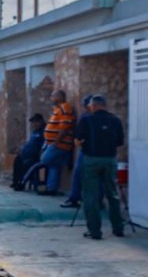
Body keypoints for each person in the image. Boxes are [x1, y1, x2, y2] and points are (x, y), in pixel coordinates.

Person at [75, 95, 124, 240]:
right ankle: (118, 228)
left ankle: (95, 231)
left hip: (91, 159)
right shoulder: (115, 121)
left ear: (94, 106)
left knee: (91, 195)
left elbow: (77, 140)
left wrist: (83, 146)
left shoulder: (87, 120)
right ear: (105, 105)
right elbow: (120, 141)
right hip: (110, 159)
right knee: (113, 194)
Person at [61, 95, 100, 208]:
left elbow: (78, 136)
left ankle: (75, 198)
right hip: (103, 152)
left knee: (79, 174)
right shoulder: (109, 118)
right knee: (101, 177)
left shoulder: (86, 118)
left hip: (87, 151)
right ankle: (97, 200)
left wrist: (80, 143)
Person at [39, 89, 75, 196]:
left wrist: (56, 142)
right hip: (53, 143)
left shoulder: (65, 108)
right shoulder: (58, 109)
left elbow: (64, 127)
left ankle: (51, 187)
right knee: (53, 165)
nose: (51, 98)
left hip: (59, 144)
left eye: (53, 96)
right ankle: (51, 188)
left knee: (45, 159)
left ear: (60, 97)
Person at [11, 113, 46, 190]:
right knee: (17, 160)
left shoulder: (43, 132)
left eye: (36, 122)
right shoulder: (35, 132)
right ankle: (15, 181)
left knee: (26, 165)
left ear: (41, 121)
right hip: (25, 155)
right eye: (33, 122)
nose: (34, 124)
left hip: (34, 157)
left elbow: (42, 146)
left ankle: (21, 183)